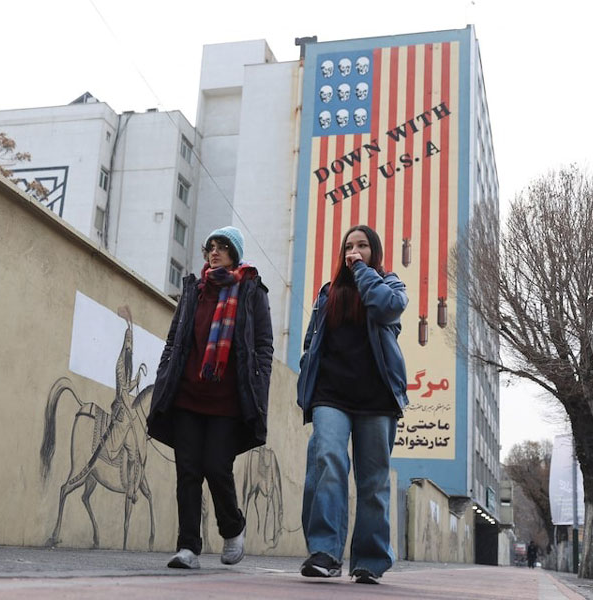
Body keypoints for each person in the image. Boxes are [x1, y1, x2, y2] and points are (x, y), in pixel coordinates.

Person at [147, 225, 273, 569]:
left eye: (222, 247)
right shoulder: (195, 289)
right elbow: (175, 338)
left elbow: (263, 346)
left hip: (228, 400)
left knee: (217, 467)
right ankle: (188, 547)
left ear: (235, 252)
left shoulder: (250, 290)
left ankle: (232, 527)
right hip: (187, 394)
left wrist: (259, 386)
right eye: (211, 247)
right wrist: (164, 372)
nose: (214, 252)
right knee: (188, 470)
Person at [297, 224, 409, 585]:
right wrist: (307, 372)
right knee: (327, 462)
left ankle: (370, 560)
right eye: (349, 247)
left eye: (362, 246)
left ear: (374, 252)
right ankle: (325, 552)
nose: (354, 251)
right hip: (331, 394)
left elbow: (387, 309)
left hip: (376, 397)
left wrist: (362, 270)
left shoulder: (390, 286)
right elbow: (312, 341)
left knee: (373, 480)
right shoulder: (328, 293)